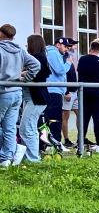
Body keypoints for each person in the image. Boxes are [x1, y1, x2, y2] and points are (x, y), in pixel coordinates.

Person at [0, 24, 40, 168]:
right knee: (10, 127)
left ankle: (10, 152)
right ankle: (6, 158)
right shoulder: (20, 51)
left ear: (1, 34)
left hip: (2, 92)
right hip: (16, 92)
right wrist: (25, 79)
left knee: (5, 127)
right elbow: (36, 64)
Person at [20, 34, 50, 163]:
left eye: (28, 43)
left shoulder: (37, 57)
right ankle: (30, 156)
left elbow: (37, 74)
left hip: (36, 98)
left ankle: (33, 158)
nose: (26, 45)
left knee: (27, 127)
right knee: (28, 127)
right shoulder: (41, 57)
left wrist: (21, 75)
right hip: (34, 98)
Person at [77, 41, 99, 153]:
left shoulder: (82, 60)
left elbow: (79, 71)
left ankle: (80, 143)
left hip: (84, 92)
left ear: (90, 48)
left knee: (84, 119)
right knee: (98, 119)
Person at [46, 36, 74, 147]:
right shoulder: (53, 53)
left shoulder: (55, 53)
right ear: (58, 45)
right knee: (55, 119)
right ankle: (55, 144)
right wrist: (68, 63)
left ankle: (54, 143)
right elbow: (60, 70)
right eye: (65, 46)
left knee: (55, 118)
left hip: (56, 90)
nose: (67, 49)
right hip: (53, 90)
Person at [61, 39, 79, 149]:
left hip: (75, 90)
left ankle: (80, 137)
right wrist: (66, 91)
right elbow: (64, 74)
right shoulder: (64, 58)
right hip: (68, 91)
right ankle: (66, 139)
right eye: (73, 45)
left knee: (80, 114)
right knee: (65, 116)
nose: (74, 47)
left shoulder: (69, 57)